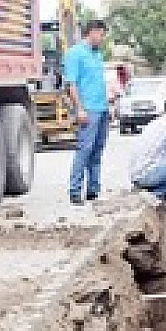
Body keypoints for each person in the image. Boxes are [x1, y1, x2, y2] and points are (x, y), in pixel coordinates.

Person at [64, 19, 111, 205]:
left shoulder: (97, 54)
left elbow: (99, 83)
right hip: (88, 110)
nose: (103, 38)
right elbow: (72, 84)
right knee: (84, 150)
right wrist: (79, 109)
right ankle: (75, 191)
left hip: (102, 109)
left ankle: (93, 190)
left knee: (97, 151)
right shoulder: (75, 54)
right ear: (91, 32)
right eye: (101, 33)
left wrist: (109, 104)